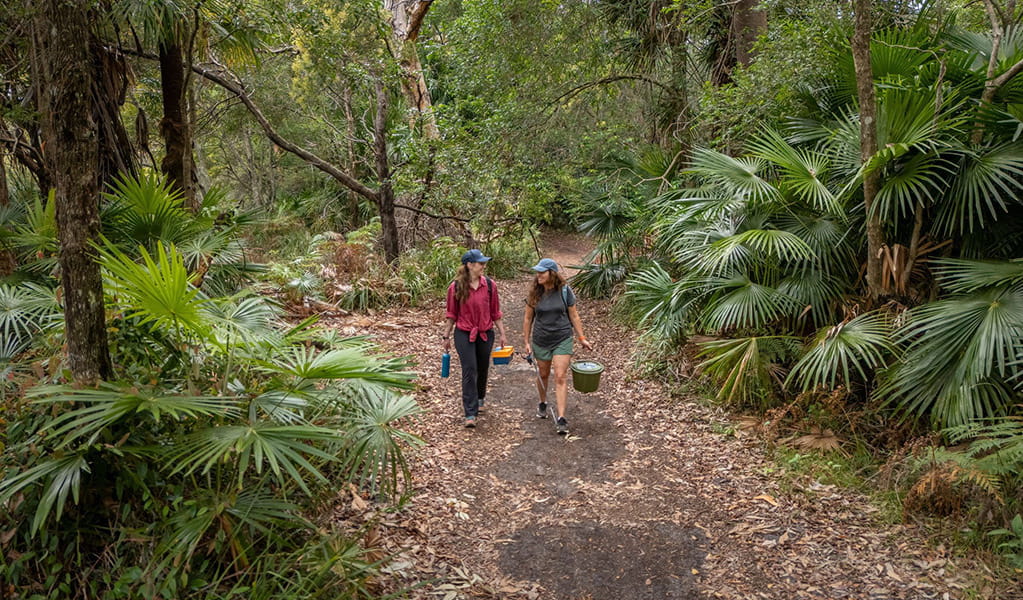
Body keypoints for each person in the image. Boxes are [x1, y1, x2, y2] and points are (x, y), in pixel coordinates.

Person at [522, 258, 593, 434]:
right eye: (537, 272)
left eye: (542, 272)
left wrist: (581, 337)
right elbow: (528, 318)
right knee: (544, 374)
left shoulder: (564, 291)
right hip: (541, 339)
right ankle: (543, 402)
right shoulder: (534, 293)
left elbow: (574, 315)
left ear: (551, 274)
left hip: (562, 337)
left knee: (560, 376)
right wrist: (526, 342)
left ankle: (561, 418)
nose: (538, 275)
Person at [441, 249, 508, 428]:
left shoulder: (490, 286)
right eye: (480, 263)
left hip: (485, 332)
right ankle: (470, 413)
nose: (484, 266)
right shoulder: (455, 287)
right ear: (469, 265)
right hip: (464, 332)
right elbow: (451, 315)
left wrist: (502, 333)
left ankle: (480, 398)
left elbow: (495, 312)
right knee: (470, 369)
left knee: (483, 367)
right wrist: (446, 336)